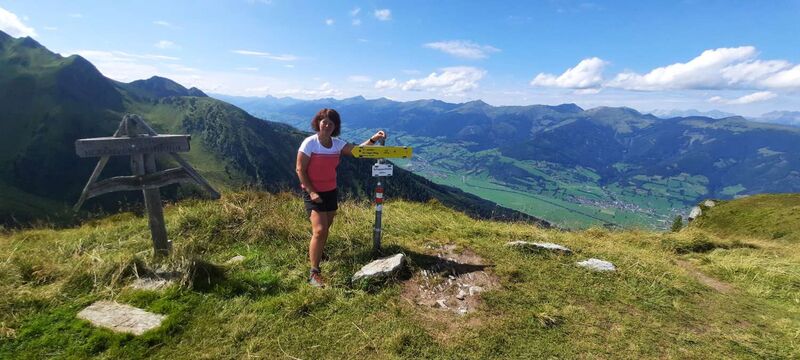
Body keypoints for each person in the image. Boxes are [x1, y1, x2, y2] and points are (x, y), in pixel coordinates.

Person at [296, 108, 386, 288]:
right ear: (318, 123)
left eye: (331, 122)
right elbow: (300, 169)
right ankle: (314, 273)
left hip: (331, 191)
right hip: (313, 191)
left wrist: (374, 139)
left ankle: (319, 252)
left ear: (335, 126)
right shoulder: (309, 143)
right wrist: (312, 192)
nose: (327, 125)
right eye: (324, 121)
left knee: (326, 228)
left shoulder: (336, 144)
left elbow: (357, 151)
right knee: (320, 230)